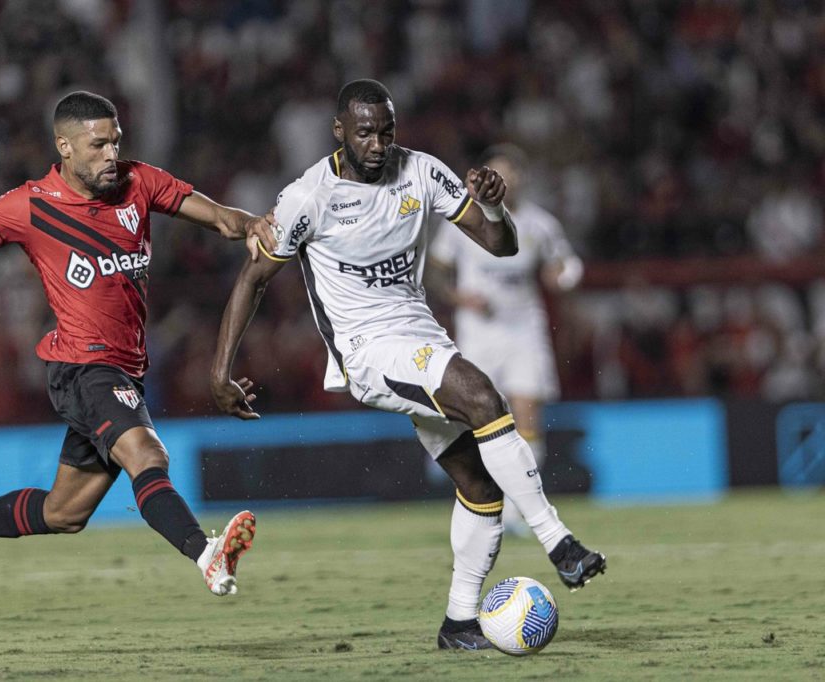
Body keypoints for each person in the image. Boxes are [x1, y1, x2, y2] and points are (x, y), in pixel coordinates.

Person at [209, 80, 606, 650]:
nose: (378, 143)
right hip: (367, 351)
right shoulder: (308, 197)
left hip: (419, 335)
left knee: (479, 485)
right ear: (339, 131)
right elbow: (252, 280)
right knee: (482, 396)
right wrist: (219, 373)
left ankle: (459, 622)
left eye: (387, 131)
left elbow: (502, 244)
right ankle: (558, 541)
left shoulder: (422, 171)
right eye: (365, 132)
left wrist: (493, 204)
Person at [0, 91, 270, 597]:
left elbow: (222, 218)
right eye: (97, 145)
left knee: (64, 513)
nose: (111, 154)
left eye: (115, 142)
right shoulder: (31, 206)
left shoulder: (139, 182)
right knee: (147, 454)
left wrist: (253, 224)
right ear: (64, 146)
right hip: (82, 368)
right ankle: (207, 554)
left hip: (124, 368)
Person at [429, 144, 583, 535]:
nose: (503, 181)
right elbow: (438, 274)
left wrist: (562, 276)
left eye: (509, 174)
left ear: (519, 178)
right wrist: (461, 297)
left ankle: (519, 509)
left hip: (524, 328)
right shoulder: (463, 221)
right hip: (478, 331)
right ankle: (481, 498)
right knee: (482, 417)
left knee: (527, 411)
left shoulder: (540, 224)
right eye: (495, 173)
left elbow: (560, 267)